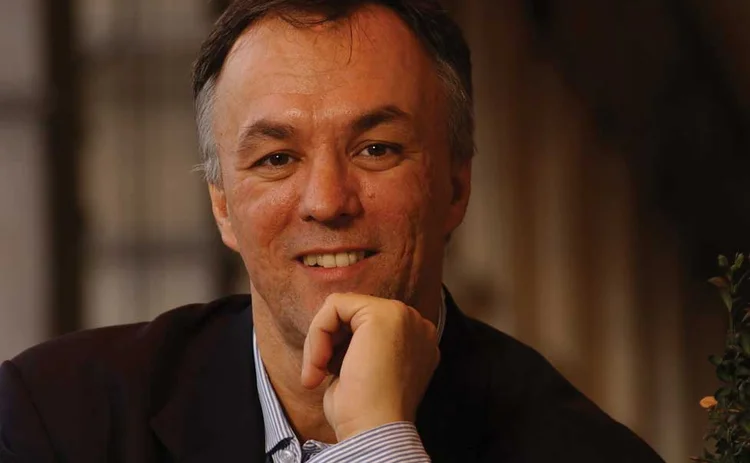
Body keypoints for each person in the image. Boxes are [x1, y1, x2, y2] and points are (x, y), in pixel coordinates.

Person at [0, 1, 665, 462]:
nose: (326, 202)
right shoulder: (55, 418)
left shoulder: (582, 452)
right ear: (223, 207)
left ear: (456, 186)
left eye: (376, 149)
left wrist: (379, 440)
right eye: (276, 158)